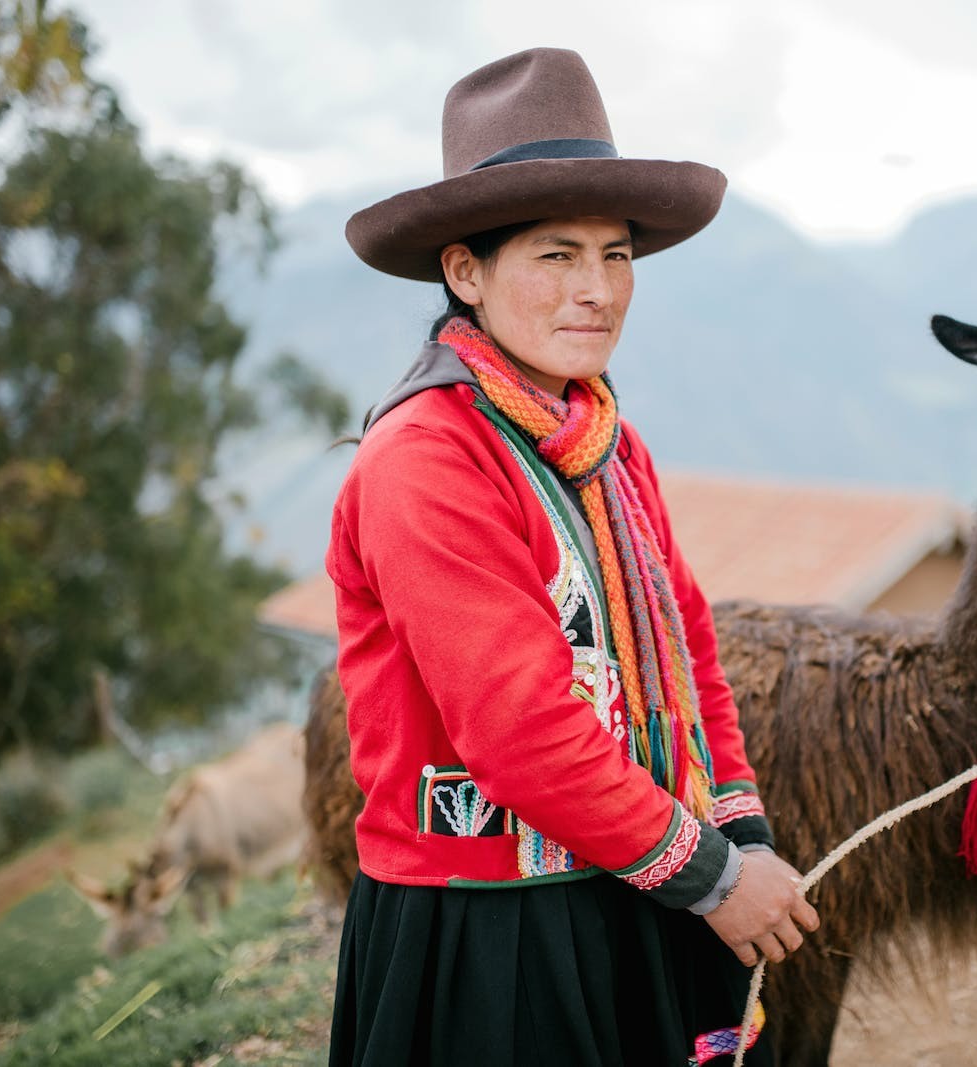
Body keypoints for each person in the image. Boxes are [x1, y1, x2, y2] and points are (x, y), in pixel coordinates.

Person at [325, 48, 818, 1066]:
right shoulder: (427, 457)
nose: (597, 291)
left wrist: (743, 831)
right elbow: (519, 730)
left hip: (636, 875)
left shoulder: (603, 439)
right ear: (466, 270)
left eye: (617, 254)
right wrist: (717, 877)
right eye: (555, 255)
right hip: (490, 931)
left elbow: (687, 650)